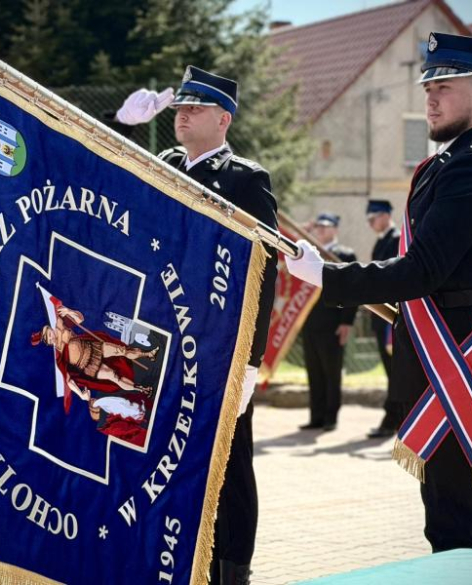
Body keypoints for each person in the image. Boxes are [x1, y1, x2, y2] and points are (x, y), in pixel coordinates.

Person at [286, 32, 472, 557]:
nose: (431, 97)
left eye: (445, 84)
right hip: (446, 355)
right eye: (428, 86)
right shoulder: (455, 161)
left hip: (461, 360)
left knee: (453, 524)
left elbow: (423, 269)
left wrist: (329, 277)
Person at [113, 65, 278, 584]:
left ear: (223, 119)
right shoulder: (163, 163)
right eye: (179, 106)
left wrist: (249, 359)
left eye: (195, 108)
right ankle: (172, 557)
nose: (182, 114)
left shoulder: (244, 180)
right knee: (153, 450)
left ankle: (233, 570)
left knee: (227, 464)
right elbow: (109, 179)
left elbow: (264, 271)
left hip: (216, 346)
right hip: (154, 340)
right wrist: (124, 126)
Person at [299, 212, 357, 432]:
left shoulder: (344, 253)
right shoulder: (309, 255)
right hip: (310, 323)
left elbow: (352, 290)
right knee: (314, 372)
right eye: (319, 226)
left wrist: (347, 322)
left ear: (335, 229)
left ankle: (331, 417)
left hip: (333, 323)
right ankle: (316, 416)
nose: (321, 230)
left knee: (332, 373)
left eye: (326, 226)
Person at [364, 199, 402, 439]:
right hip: (381, 315)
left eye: (374, 217)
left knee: (396, 371)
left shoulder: (396, 239)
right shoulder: (382, 240)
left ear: (387, 215)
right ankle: (395, 417)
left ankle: (393, 419)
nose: (370, 223)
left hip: (391, 314)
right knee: (391, 371)